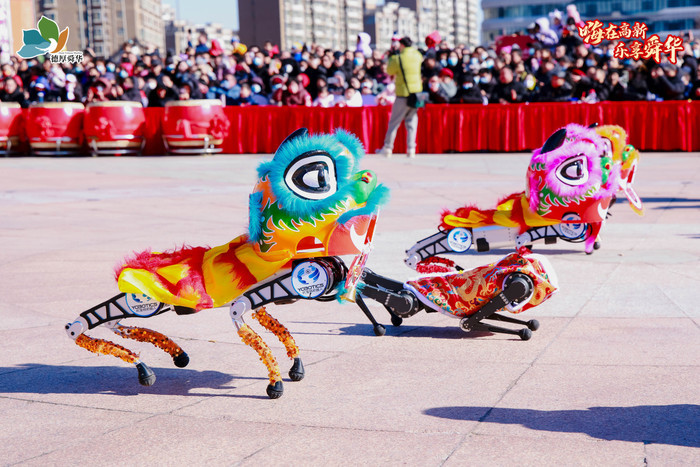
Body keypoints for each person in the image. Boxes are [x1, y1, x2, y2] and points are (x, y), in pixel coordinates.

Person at [378, 36, 423, 158]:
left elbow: (390, 71)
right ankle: (411, 148)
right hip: (417, 93)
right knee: (412, 122)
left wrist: (392, 56)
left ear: (402, 45)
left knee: (394, 122)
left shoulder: (398, 58)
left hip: (403, 93)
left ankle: (388, 148)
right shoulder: (418, 55)